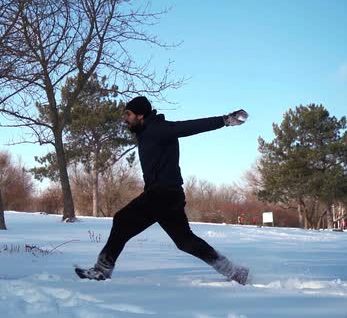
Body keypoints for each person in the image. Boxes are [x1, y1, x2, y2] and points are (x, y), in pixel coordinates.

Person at [75, 96, 250, 284]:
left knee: (122, 220)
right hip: (169, 195)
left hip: (162, 193)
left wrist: (225, 121)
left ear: (140, 114)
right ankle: (234, 271)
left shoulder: (159, 129)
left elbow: (190, 126)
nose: (124, 119)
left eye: (128, 114)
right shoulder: (145, 132)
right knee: (185, 242)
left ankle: (102, 270)